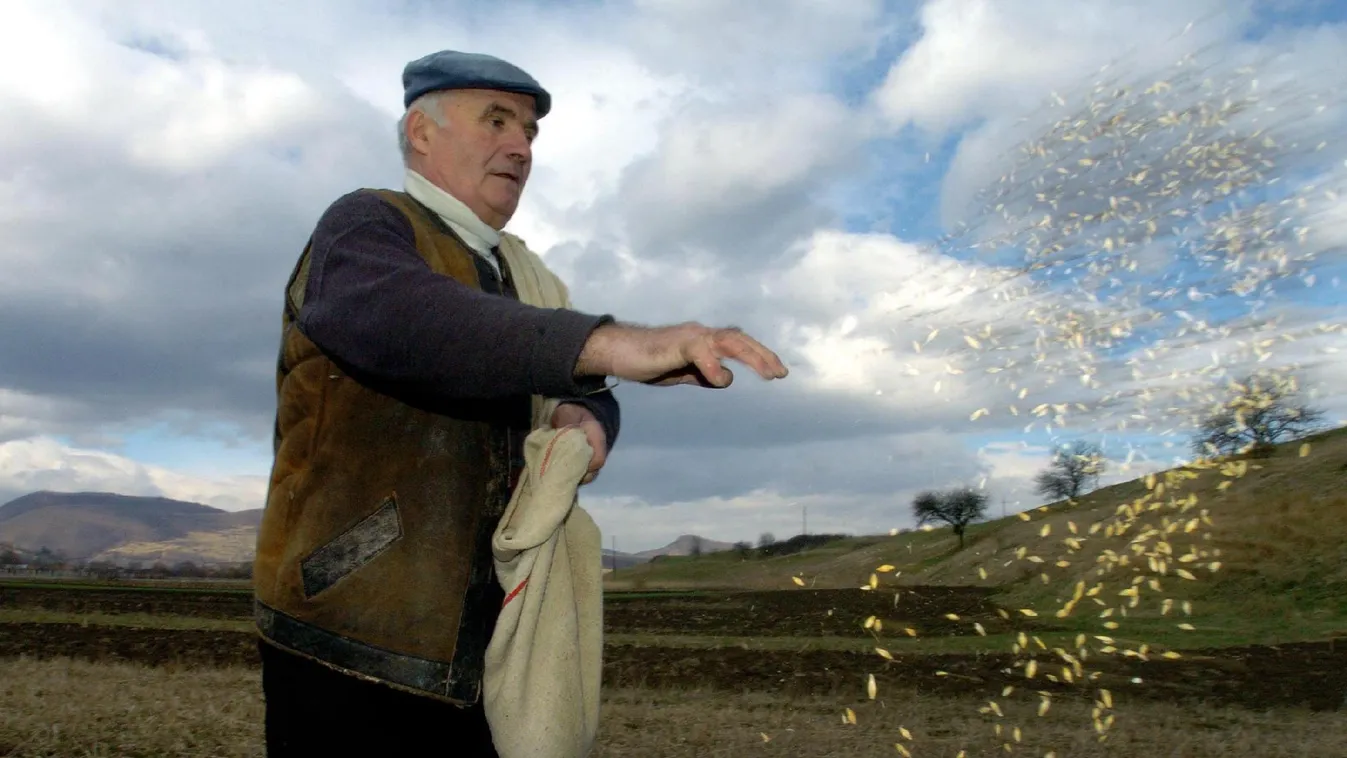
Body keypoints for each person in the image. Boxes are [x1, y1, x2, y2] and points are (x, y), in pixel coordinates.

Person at [251, 49, 788, 756]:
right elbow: (408, 322)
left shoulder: (523, 277)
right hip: (355, 638)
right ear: (421, 131)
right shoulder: (365, 228)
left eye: (529, 132)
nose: (520, 147)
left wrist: (587, 414)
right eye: (496, 120)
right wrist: (610, 345)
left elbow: (576, 381)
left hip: (494, 643)